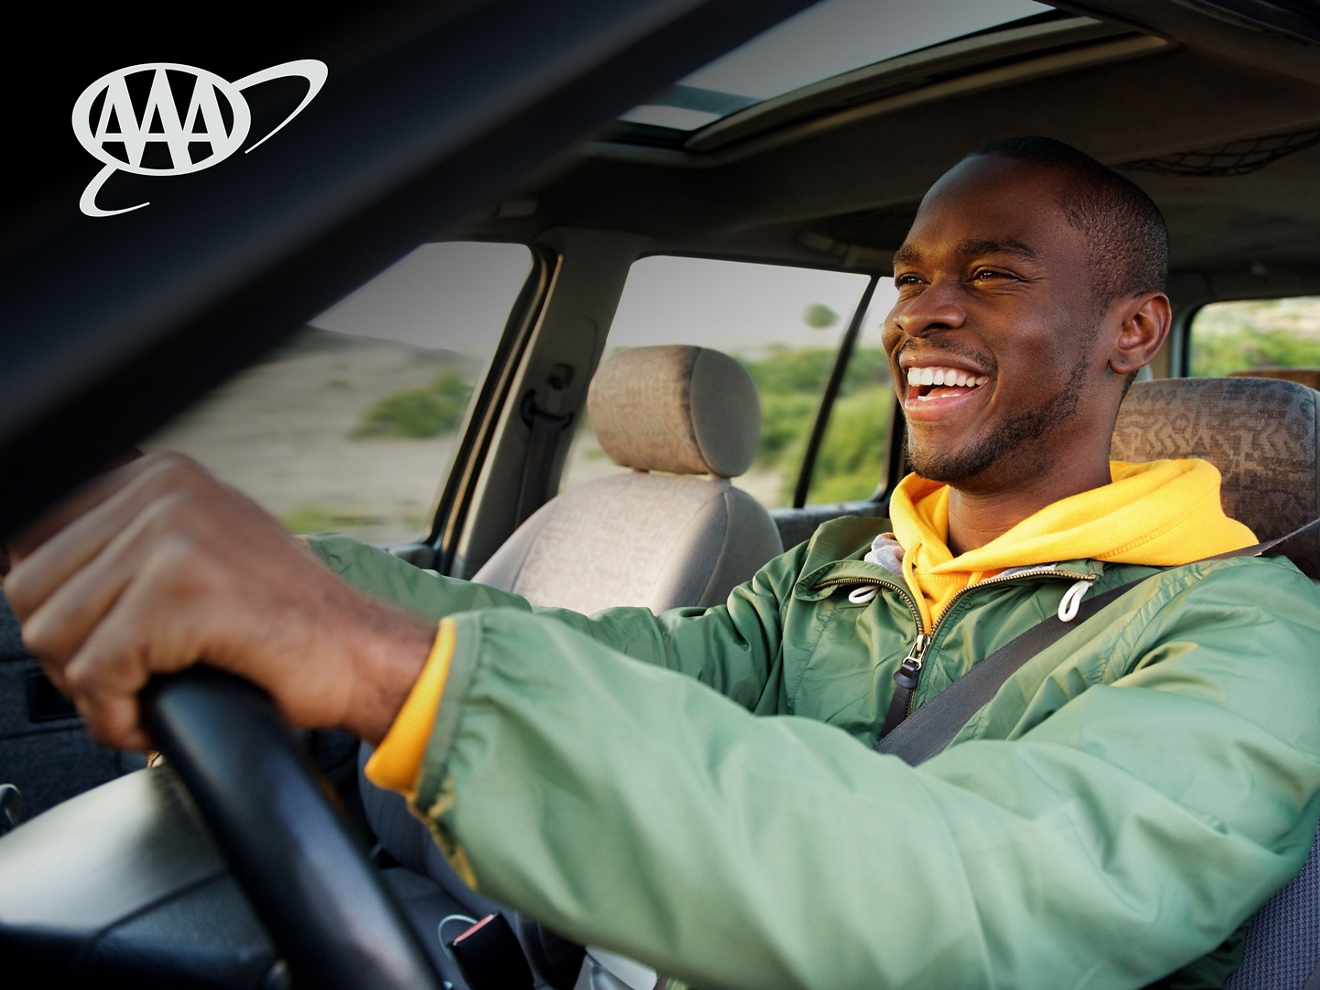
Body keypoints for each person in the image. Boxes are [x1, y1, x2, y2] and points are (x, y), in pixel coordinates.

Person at [6, 137, 1320, 990]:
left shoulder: (1245, 638)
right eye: (913, 277)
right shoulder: (844, 570)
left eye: (990, 275)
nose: (924, 309)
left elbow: (972, 889)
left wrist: (388, 667)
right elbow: (632, 660)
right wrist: (305, 580)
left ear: (1135, 329)